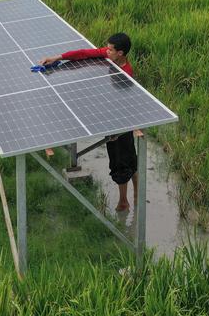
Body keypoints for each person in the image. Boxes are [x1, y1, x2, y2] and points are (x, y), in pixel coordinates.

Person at [39, 33, 143, 211]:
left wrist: (132, 126)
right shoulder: (110, 56)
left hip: (120, 123)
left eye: (110, 49)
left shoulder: (126, 74)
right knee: (130, 158)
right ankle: (137, 194)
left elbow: (126, 103)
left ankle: (124, 201)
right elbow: (84, 53)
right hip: (113, 118)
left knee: (121, 163)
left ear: (121, 53)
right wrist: (58, 57)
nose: (106, 51)